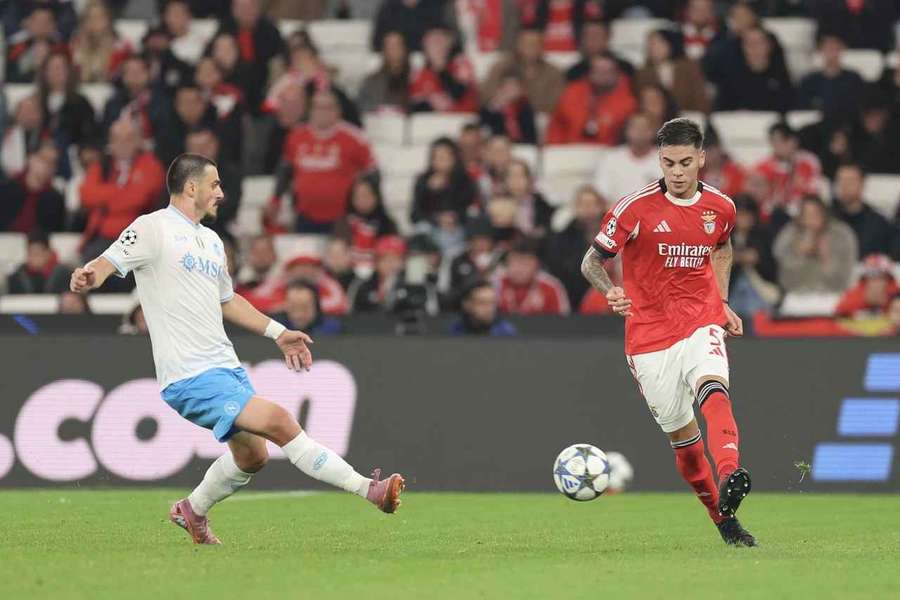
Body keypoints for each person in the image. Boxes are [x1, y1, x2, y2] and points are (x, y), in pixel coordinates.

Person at [68, 153, 404, 545]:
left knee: (253, 457)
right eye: (214, 185)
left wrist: (279, 332)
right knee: (280, 420)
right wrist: (89, 276)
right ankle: (369, 489)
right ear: (191, 187)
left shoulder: (212, 242)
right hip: (189, 374)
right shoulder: (152, 227)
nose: (221, 193)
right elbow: (107, 262)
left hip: (225, 368)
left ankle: (192, 510)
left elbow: (227, 301)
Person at [580, 118, 756, 546]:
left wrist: (721, 301)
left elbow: (722, 246)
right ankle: (723, 520)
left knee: (713, 387)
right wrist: (610, 291)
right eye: (668, 163)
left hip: (699, 318)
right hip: (648, 336)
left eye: (684, 163)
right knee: (685, 445)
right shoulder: (633, 209)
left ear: (701, 159)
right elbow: (591, 262)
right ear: (660, 161)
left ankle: (731, 472)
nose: (677, 172)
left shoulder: (721, 207)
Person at [269, 90, 377, 233]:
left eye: (327, 107)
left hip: (343, 219)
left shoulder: (354, 138)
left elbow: (372, 173)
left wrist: (363, 199)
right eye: (317, 107)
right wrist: (275, 199)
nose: (321, 112)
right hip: (304, 216)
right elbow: (285, 171)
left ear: (337, 111)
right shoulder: (296, 136)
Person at [79, 119, 166, 263]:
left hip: (135, 239)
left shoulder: (151, 165)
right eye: (117, 138)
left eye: (129, 138)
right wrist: (121, 192)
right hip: (99, 237)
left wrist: (105, 200)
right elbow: (86, 195)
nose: (122, 143)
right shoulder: (102, 165)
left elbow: (139, 198)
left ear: (139, 141)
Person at [772, 196, 858, 295]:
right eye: (806, 215)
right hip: (797, 295)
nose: (811, 220)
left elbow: (843, 279)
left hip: (832, 294)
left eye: (815, 214)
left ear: (824, 214)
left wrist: (826, 258)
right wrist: (798, 255)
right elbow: (784, 278)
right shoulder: (790, 234)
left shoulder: (841, 235)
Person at [546, 54, 637, 146]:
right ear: (590, 73)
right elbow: (557, 125)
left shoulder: (628, 103)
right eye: (597, 71)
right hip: (570, 149)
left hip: (609, 151)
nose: (602, 75)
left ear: (617, 74)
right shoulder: (572, 93)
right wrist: (556, 148)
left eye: (607, 71)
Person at [546, 185, 608, 308]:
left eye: (592, 204)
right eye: (583, 204)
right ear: (575, 208)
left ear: (601, 206)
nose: (588, 209)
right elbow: (559, 269)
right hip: (575, 293)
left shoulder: (613, 232)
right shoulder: (564, 237)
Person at [480, 27, 565, 114]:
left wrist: (523, 100)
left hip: (542, 118)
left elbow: (558, 103)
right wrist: (502, 98)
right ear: (518, 45)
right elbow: (486, 95)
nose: (531, 48)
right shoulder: (500, 67)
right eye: (526, 44)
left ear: (542, 46)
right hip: (504, 116)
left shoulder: (553, 73)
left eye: (535, 44)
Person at [713, 26, 794, 112]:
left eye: (758, 42)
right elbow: (721, 111)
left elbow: (790, 108)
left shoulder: (781, 77)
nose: (754, 47)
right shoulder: (731, 79)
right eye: (749, 43)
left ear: (769, 46)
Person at [753, 123, 822, 222]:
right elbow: (758, 199)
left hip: (801, 215)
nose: (778, 147)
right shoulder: (763, 167)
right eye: (774, 142)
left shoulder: (809, 162)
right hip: (772, 217)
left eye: (782, 141)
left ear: (793, 141)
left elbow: (814, 190)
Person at [634, 29, 711, 113]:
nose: (654, 47)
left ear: (670, 44)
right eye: (651, 44)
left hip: (688, 116)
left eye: (659, 43)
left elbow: (700, 97)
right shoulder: (642, 73)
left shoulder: (689, 68)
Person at [591, 113, 660, 206]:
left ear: (654, 131)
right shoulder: (611, 158)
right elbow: (601, 193)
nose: (640, 131)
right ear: (627, 131)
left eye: (644, 127)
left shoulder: (667, 159)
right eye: (635, 127)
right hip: (616, 212)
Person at [411, 137, 479, 227]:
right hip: (432, 225)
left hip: (458, 226)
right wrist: (430, 191)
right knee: (422, 228)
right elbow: (414, 215)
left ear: (454, 158)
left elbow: (469, 211)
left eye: (445, 157)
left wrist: (446, 188)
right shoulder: (423, 181)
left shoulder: (465, 180)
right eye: (437, 157)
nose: (441, 161)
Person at [334, 175, 399, 270]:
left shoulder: (388, 223)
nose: (362, 200)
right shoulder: (343, 223)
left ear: (376, 197)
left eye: (366, 195)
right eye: (357, 196)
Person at [831, 163, 895, 259]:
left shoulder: (878, 223)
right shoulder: (827, 219)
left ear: (862, 184)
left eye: (850, 181)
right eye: (840, 181)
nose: (844, 186)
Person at [409, 26, 478, 113]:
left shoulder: (460, 65)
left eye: (440, 41)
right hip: (433, 119)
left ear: (449, 43)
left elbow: (458, 95)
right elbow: (414, 105)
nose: (437, 46)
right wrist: (430, 102)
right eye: (432, 42)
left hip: (462, 117)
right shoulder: (420, 75)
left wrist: (440, 67)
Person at [797, 34, 865, 119]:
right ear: (821, 50)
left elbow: (858, 107)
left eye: (835, 48)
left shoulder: (854, 79)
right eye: (828, 48)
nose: (832, 52)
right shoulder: (809, 81)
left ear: (842, 49)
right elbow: (803, 109)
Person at [496, 237, 570, 315]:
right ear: (507, 263)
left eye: (525, 264)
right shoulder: (497, 283)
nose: (519, 269)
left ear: (537, 264)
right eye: (514, 263)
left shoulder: (551, 287)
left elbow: (563, 320)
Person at [0, 152, 66, 233]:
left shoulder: (55, 199)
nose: (48, 166)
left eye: (53, 163)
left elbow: (55, 232)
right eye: (44, 160)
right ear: (30, 159)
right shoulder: (6, 189)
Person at [70, 0, 133, 83]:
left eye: (99, 17)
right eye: (89, 18)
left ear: (108, 20)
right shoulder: (75, 46)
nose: (94, 22)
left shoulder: (122, 47)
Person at [357, 30, 411, 114]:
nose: (394, 49)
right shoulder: (371, 82)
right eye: (389, 46)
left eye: (397, 45)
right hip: (379, 120)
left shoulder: (416, 79)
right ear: (383, 50)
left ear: (404, 49)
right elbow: (361, 108)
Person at [566, 19, 634, 81]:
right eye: (588, 35)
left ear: (607, 37)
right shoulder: (575, 73)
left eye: (597, 35)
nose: (592, 39)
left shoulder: (625, 69)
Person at [6, 230, 71, 294]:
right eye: (31, 254)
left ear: (48, 253)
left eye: (38, 254)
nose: (34, 259)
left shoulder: (64, 275)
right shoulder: (17, 277)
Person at [834, 254, 898, 319]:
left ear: (889, 279)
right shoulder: (855, 294)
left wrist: (889, 303)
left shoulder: (896, 294)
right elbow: (837, 315)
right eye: (872, 277)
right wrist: (864, 301)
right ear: (865, 279)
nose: (876, 282)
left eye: (881, 277)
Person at [270, 279, 343, 335]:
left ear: (316, 306)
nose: (299, 315)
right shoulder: (274, 328)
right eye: (293, 308)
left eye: (305, 308)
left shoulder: (332, 329)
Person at [450, 280, 517, 336]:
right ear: (467, 304)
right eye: (482, 303)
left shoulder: (506, 333)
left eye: (492, 302)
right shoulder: (454, 332)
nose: (489, 308)